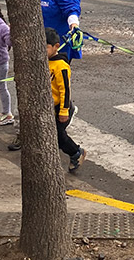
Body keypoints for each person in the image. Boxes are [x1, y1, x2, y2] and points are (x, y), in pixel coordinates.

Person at [44, 27, 87, 172]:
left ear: (56, 46)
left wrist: (64, 111)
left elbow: (65, 90)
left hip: (61, 107)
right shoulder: (44, 62)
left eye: (46, 47)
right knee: (52, 135)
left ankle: (76, 152)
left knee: (57, 135)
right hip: (48, 106)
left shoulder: (61, 65)